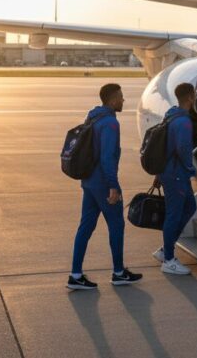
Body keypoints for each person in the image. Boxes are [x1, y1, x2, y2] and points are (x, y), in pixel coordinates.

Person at [67, 83, 143, 290]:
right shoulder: (109, 123)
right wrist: (113, 186)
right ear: (111, 100)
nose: (123, 100)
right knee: (116, 226)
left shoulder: (93, 117)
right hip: (103, 183)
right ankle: (119, 272)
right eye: (120, 97)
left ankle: (75, 274)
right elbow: (107, 158)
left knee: (85, 227)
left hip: (89, 182)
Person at [150, 83, 197, 275]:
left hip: (170, 172)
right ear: (190, 97)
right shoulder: (183, 122)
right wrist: (190, 168)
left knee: (190, 207)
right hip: (176, 174)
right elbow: (183, 149)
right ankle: (169, 259)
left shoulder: (171, 115)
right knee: (174, 214)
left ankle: (165, 249)